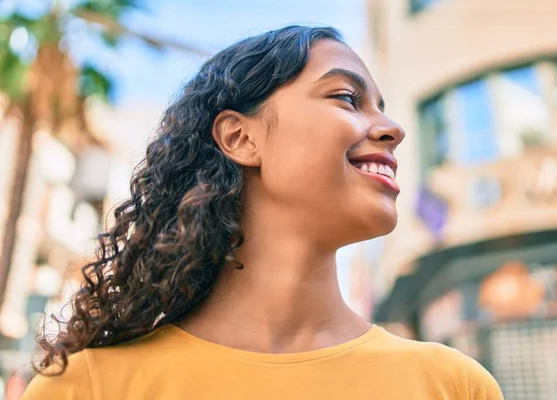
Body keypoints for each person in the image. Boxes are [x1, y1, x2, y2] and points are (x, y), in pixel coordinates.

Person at [22, 25, 504, 399]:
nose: (393, 129)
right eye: (346, 98)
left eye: (382, 107)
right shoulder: (87, 388)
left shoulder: (452, 386)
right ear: (240, 138)